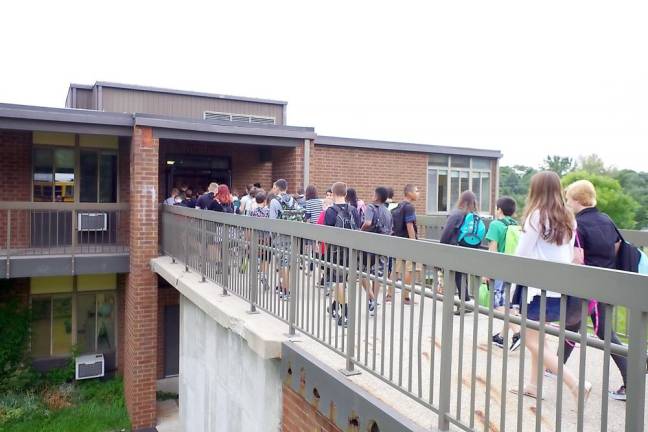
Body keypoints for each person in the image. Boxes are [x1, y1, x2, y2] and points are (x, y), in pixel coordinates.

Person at [512, 171, 591, 401]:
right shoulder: (568, 216)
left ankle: (575, 383)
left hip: (538, 289)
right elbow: (567, 255)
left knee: (530, 340)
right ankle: (533, 387)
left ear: (535, 189)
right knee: (540, 339)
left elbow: (521, 254)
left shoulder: (536, 215)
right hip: (559, 288)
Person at [563, 180, 627, 400]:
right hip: (607, 280)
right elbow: (618, 246)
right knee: (572, 324)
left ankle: (631, 380)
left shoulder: (577, 224)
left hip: (587, 284)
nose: (567, 203)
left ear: (578, 200)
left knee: (602, 332)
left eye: (568, 199)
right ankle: (555, 367)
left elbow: (577, 259)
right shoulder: (606, 219)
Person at [484, 196, 522, 351]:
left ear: (498, 209)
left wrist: (488, 272)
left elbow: (492, 250)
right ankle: (501, 337)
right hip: (515, 269)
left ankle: (518, 333)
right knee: (509, 305)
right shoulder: (517, 226)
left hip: (500, 270)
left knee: (498, 304)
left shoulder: (495, 224)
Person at [324, 182, 361, 326]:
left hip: (335, 251)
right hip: (351, 250)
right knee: (342, 281)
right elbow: (358, 229)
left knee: (338, 282)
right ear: (346, 194)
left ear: (332, 194)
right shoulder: (353, 210)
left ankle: (346, 314)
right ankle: (334, 306)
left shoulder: (330, 211)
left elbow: (327, 233)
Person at [440, 191, 486, 308]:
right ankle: (464, 300)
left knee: (455, 274)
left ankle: (462, 302)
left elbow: (447, 232)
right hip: (470, 247)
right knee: (461, 274)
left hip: (456, 247)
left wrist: (441, 247)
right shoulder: (474, 215)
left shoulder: (457, 213)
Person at [360, 186, 393, 315]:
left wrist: (360, 231)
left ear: (376, 196)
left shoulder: (370, 207)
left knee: (361, 271)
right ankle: (373, 302)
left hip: (370, 244)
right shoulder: (387, 211)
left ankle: (372, 299)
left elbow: (367, 223)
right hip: (384, 245)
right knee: (377, 275)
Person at [269, 179, 302, 299]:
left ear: (277, 188)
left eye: (274, 186)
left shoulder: (274, 201)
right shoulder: (293, 199)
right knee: (288, 263)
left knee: (282, 263)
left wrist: (272, 237)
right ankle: (283, 286)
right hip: (292, 235)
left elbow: (272, 221)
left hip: (280, 235)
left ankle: (286, 291)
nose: (273, 189)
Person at [389, 184, 420, 304]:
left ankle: (389, 295)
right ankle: (405, 297)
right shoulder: (409, 207)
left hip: (398, 241)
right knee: (410, 269)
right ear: (409, 193)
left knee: (395, 269)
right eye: (416, 191)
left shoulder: (398, 206)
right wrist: (414, 243)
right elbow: (409, 225)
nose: (418, 193)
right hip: (408, 242)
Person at [250, 190, 270, 290]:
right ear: (265, 201)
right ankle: (264, 275)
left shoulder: (252, 212)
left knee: (256, 257)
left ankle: (255, 277)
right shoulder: (268, 211)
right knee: (265, 259)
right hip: (266, 239)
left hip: (256, 238)